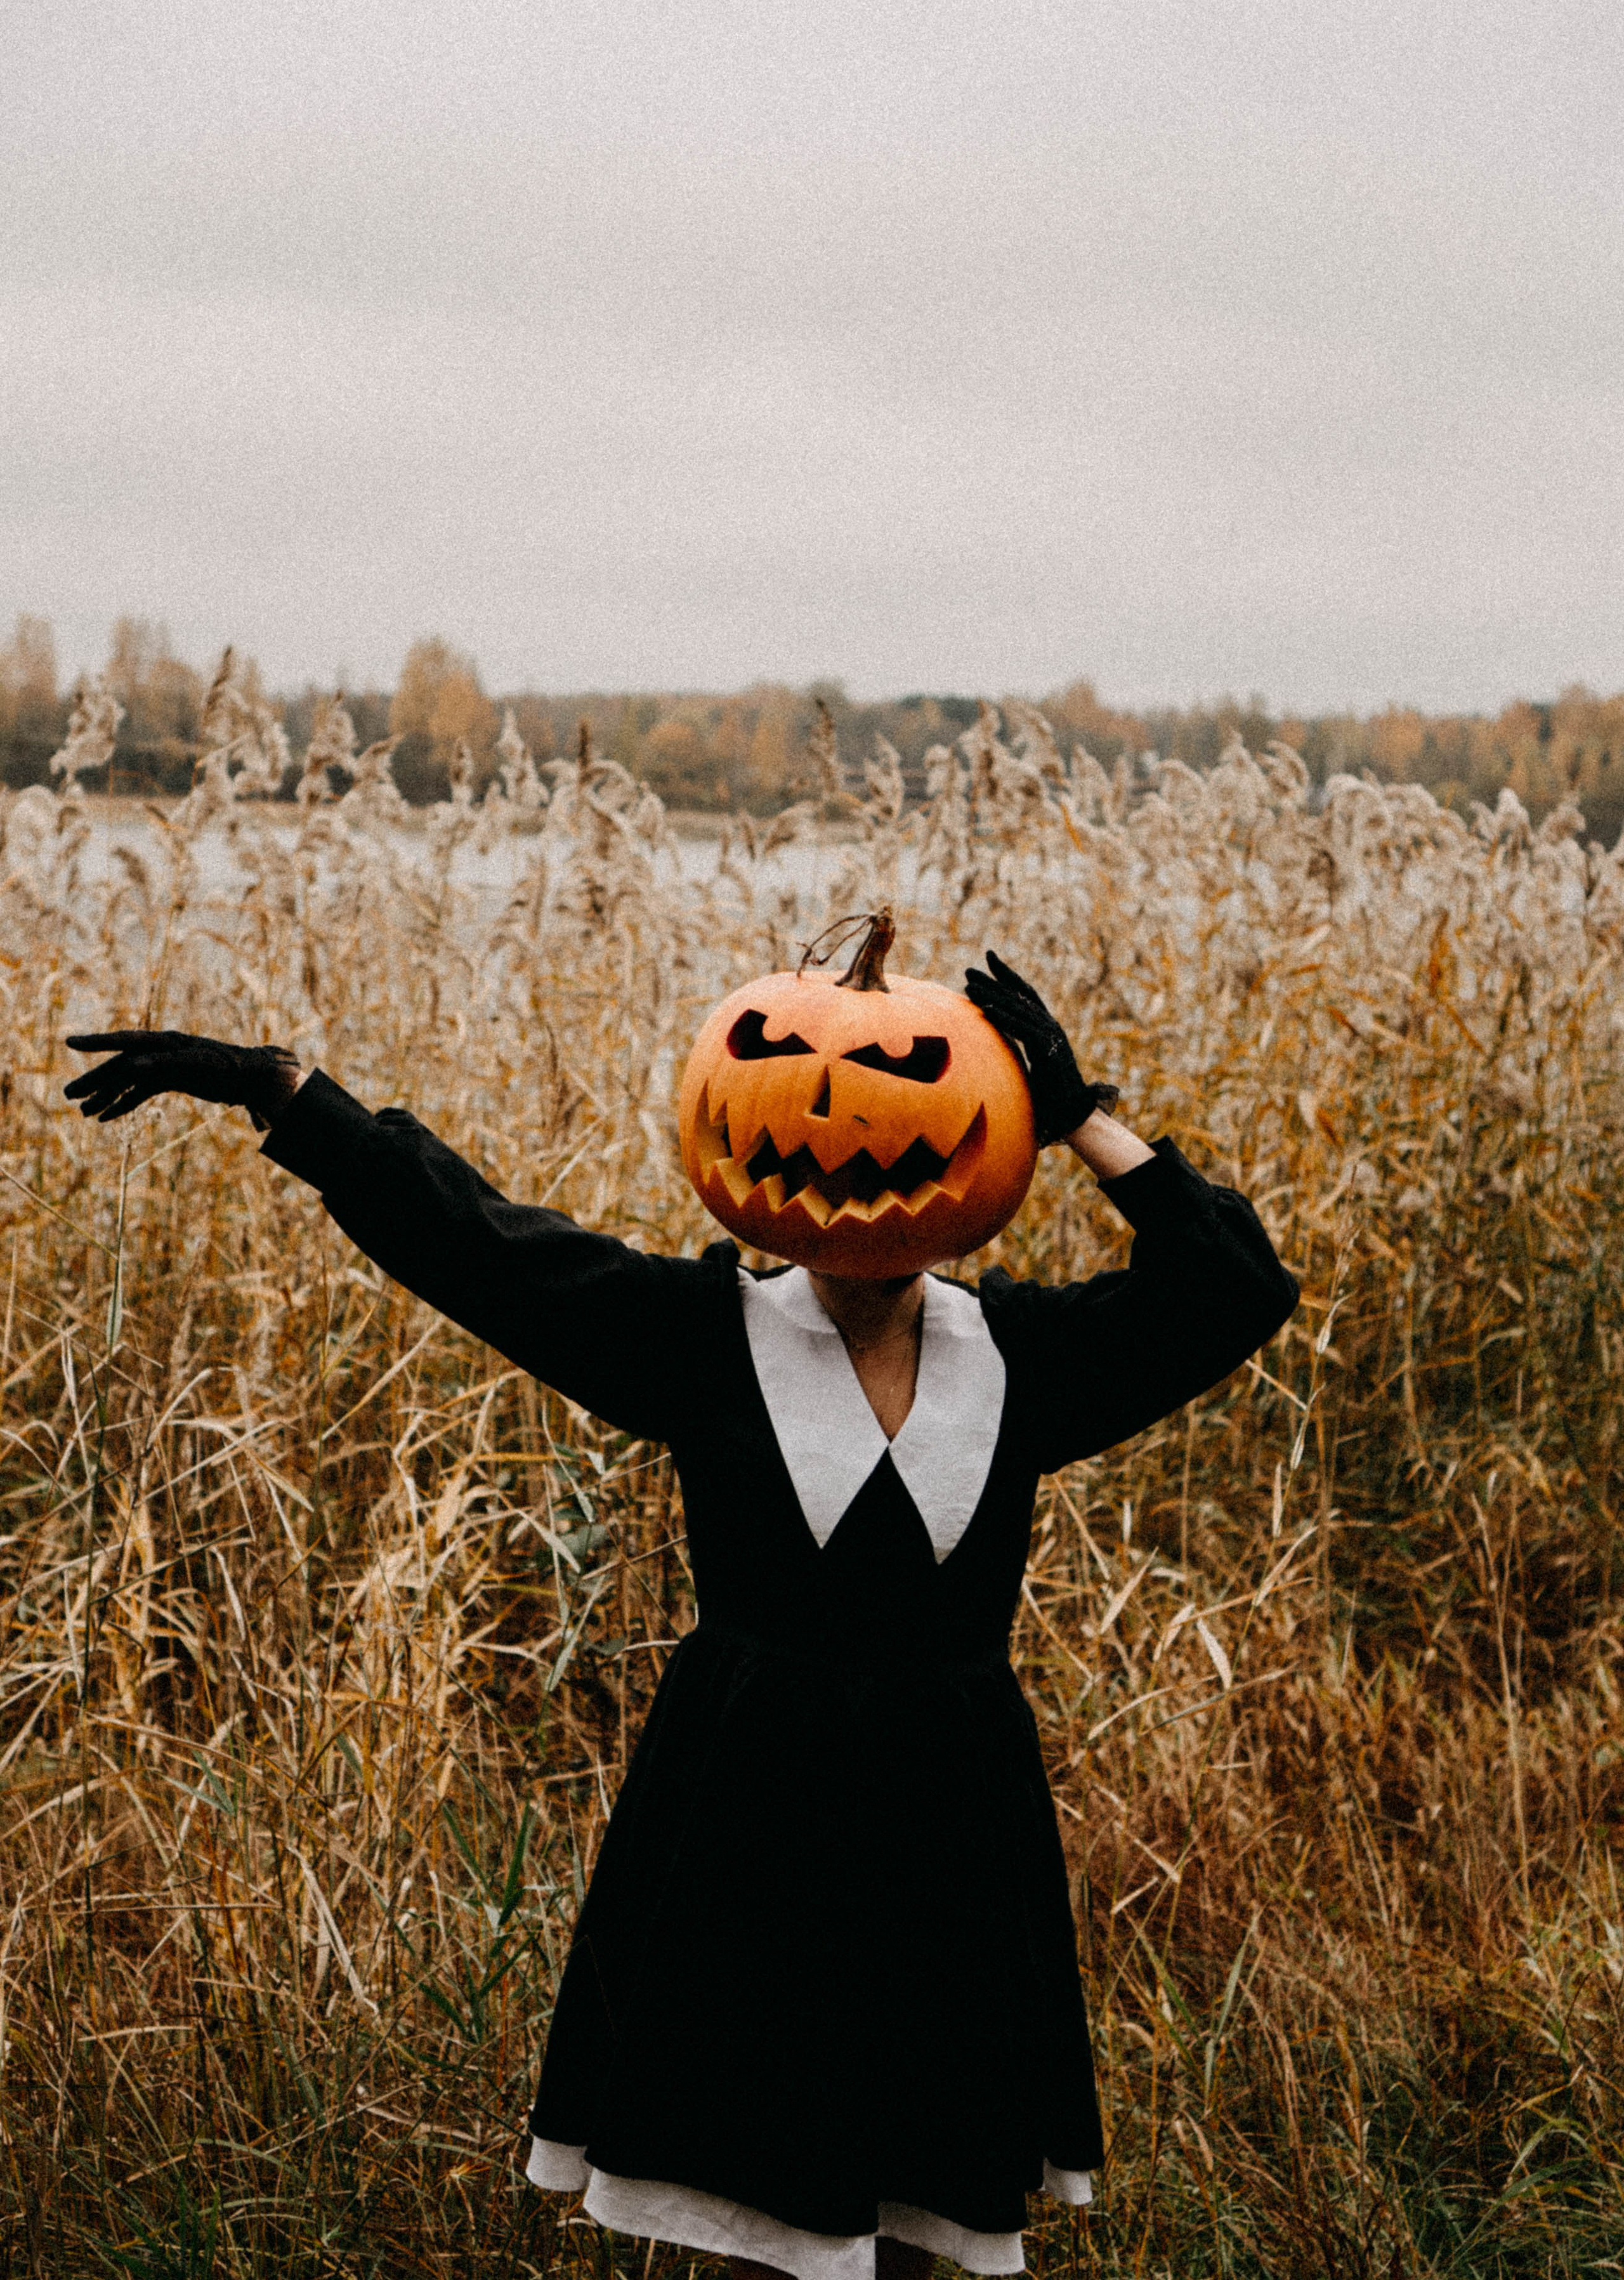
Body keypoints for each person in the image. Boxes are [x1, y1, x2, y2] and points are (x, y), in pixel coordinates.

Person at [65, 955, 1298, 2280]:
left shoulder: (1027, 1360)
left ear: (981, 1148)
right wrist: (287, 1098)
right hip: (748, 1809)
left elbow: (1232, 1285)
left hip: (953, 1818)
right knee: (762, 2181)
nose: (849, 1138)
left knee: (915, 2187)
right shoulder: (699, 1336)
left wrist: (1076, 1116)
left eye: (903, 1102)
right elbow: (476, 1245)